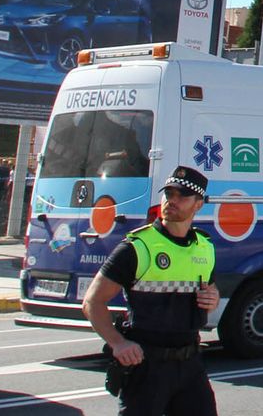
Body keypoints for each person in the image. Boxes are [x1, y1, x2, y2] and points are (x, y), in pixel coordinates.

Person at [83, 165, 219, 416]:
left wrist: (213, 297)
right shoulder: (138, 246)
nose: (172, 201)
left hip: (190, 364)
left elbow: (209, 288)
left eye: (182, 196)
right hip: (147, 365)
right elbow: (92, 301)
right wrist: (118, 343)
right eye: (169, 194)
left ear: (198, 204)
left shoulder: (204, 246)